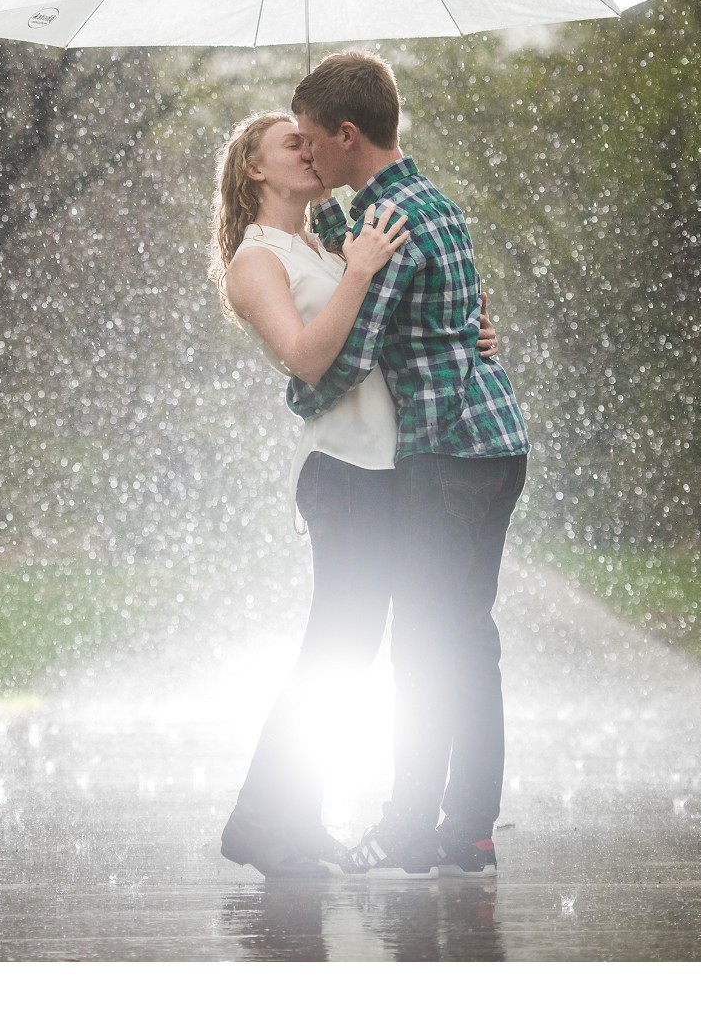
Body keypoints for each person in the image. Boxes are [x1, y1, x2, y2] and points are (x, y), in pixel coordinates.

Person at [207, 108, 497, 880]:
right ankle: (262, 821)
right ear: (254, 171)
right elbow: (307, 359)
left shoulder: (322, 240)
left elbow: (386, 335)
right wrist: (360, 269)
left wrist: (468, 334)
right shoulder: (255, 261)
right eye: (288, 144)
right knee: (335, 649)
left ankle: (291, 820)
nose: (308, 151)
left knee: (351, 651)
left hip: (386, 465)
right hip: (340, 471)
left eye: (310, 139)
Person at [288, 51, 530, 881]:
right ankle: (468, 830)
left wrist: (299, 389)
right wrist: (328, 220)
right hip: (497, 442)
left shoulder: (389, 222)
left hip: (448, 454)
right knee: (467, 639)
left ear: (348, 133)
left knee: (428, 645)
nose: (308, 154)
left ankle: (410, 828)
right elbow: (450, 313)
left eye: (315, 141)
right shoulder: (428, 203)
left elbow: (348, 354)